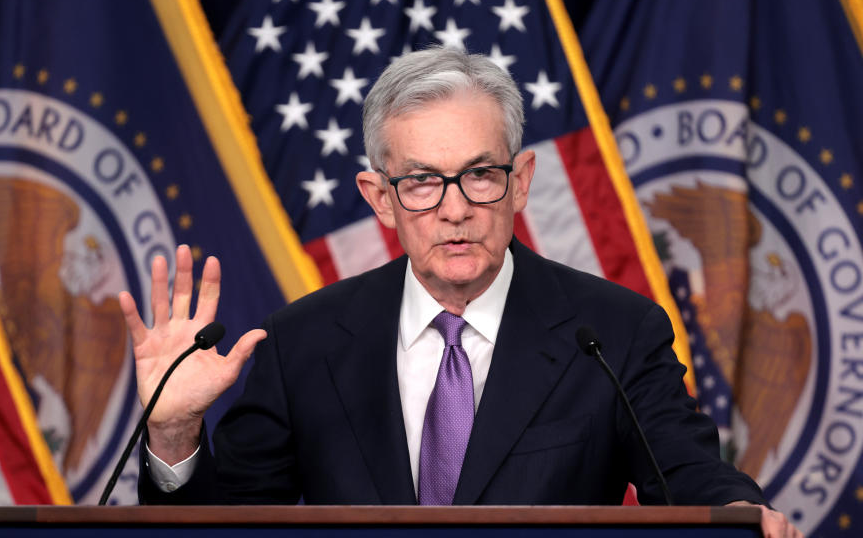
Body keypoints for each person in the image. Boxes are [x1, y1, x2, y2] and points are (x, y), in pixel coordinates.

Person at [120, 48, 800, 537]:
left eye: (480, 174)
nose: (454, 209)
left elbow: (685, 474)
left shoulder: (613, 332)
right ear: (379, 198)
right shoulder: (306, 343)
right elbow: (223, 530)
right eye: (421, 181)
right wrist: (174, 432)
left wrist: (737, 518)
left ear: (521, 180)